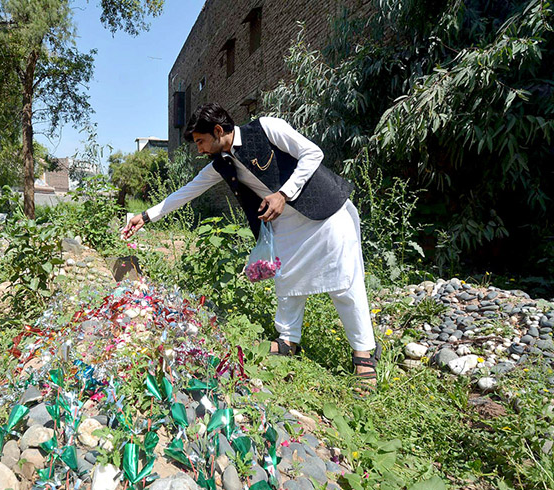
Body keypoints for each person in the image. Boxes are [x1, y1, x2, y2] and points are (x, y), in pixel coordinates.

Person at [122, 103, 380, 393]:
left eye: (201, 141)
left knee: (344, 281)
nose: (199, 150)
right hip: (286, 226)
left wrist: (283, 194)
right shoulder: (221, 164)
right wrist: (145, 216)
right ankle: (288, 341)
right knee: (288, 282)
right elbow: (187, 191)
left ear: (218, 131)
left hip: (324, 211)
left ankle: (364, 353)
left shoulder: (267, 128)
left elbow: (313, 153)